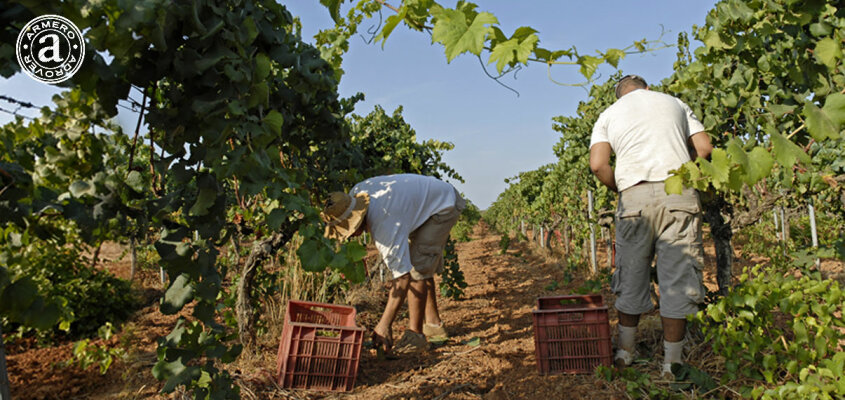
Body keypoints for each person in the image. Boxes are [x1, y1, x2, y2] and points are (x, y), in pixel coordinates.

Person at [589, 75, 713, 378]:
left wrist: (623, 189)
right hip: (678, 193)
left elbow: (598, 165)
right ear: (647, 89)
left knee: (631, 273)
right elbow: (705, 148)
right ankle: (672, 365)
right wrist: (686, 174)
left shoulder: (608, 115)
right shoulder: (676, 103)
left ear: (620, 96)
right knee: (678, 278)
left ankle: (625, 353)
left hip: (634, 196)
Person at [321, 173, 466, 355]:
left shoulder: (384, 225)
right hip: (427, 201)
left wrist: (384, 324)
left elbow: (403, 278)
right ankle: (434, 324)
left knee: (417, 270)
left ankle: (416, 336)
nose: (348, 236)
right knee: (420, 263)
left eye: (347, 230)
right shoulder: (354, 196)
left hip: (444, 205)